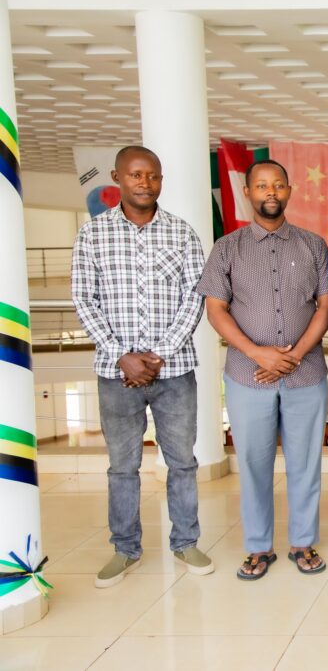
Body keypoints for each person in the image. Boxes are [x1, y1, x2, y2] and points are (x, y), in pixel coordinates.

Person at [71, 145, 214, 587]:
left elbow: (196, 296)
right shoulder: (92, 234)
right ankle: (125, 549)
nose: (144, 183)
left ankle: (186, 542)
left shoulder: (182, 233)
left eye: (152, 175)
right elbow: (84, 299)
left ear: (160, 180)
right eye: (135, 175)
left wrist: (159, 354)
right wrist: (122, 355)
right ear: (117, 177)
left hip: (175, 373)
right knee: (122, 467)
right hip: (116, 375)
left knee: (183, 463)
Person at [198, 159, 328, 580]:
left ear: (289, 191)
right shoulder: (227, 248)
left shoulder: (313, 245)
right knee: (254, 465)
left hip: (306, 375)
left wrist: (293, 356)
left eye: (278, 185)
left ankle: (303, 542)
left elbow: (326, 306)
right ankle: (258, 547)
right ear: (248, 193)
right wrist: (259, 354)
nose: (270, 192)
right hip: (247, 377)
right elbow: (215, 310)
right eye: (261, 185)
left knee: (305, 464)